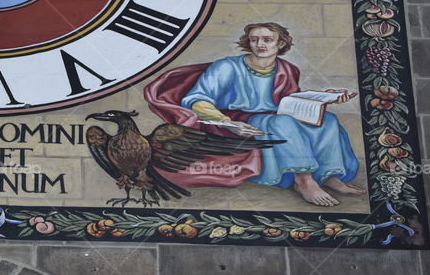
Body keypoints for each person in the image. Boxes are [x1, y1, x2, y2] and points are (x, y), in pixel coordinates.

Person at [145, 22, 364, 207]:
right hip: (235, 120)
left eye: (267, 40)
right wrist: (226, 122)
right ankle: (304, 180)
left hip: (276, 116)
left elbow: (291, 101)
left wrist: (325, 97)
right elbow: (196, 99)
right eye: (254, 39)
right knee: (283, 123)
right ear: (247, 42)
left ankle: (329, 176)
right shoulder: (227, 67)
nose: (260, 44)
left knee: (328, 120)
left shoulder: (287, 68)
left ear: (280, 43)